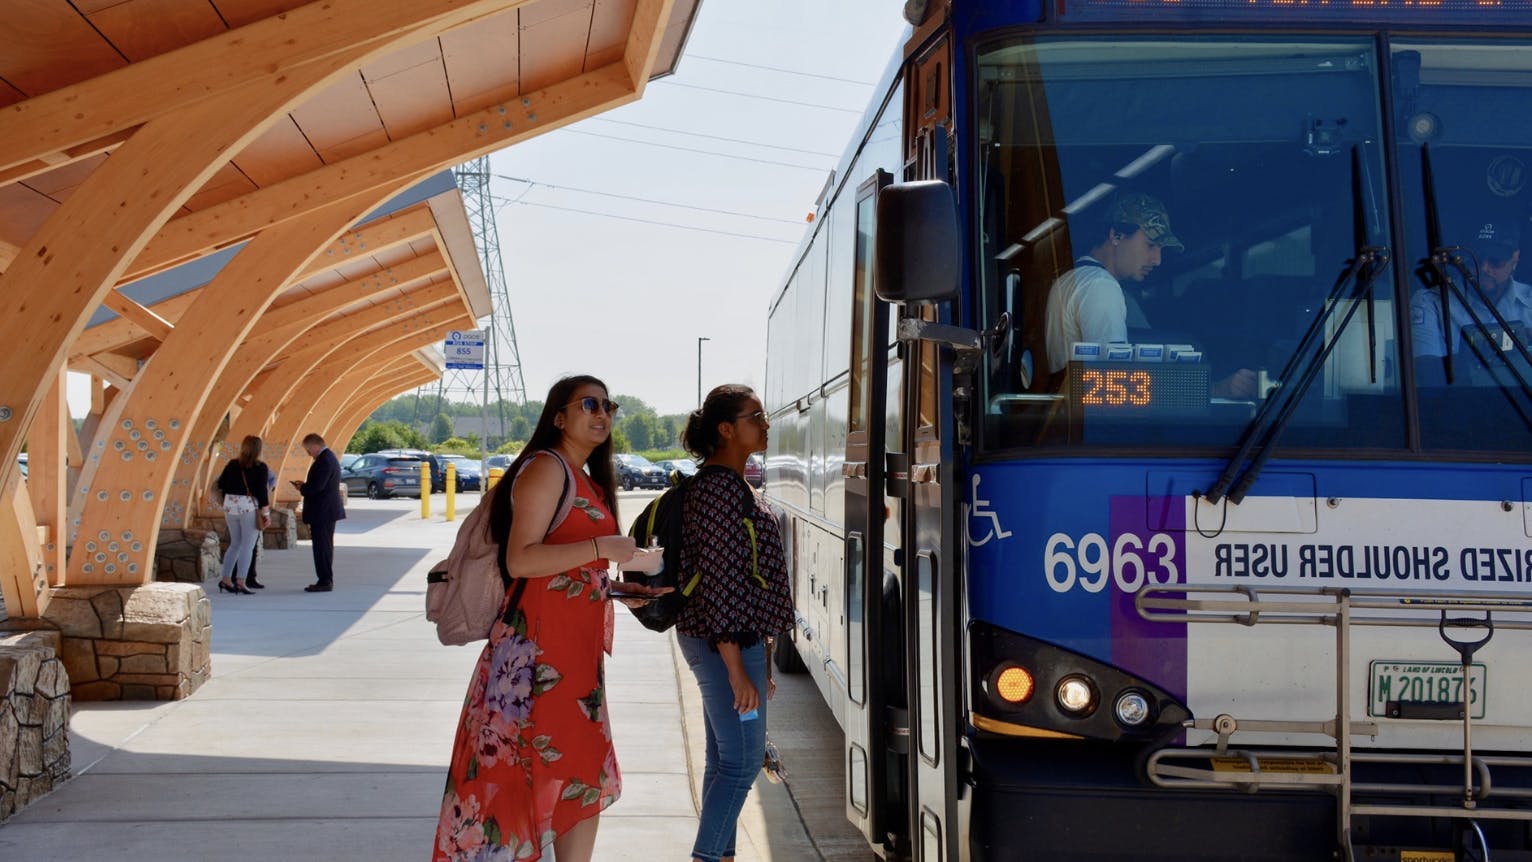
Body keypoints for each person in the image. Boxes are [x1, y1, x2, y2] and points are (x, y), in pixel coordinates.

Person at [434, 374, 652, 862]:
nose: (603, 414)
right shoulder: (547, 468)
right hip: (535, 657)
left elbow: (565, 570)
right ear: (559, 417)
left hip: (574, 658)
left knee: (581, 774)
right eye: (589, 404)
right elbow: (522, 560)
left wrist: (616, 589)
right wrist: (600, 546)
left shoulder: (585, 477)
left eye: (608, 405)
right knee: (525, 775)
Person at [675, 385, 795, 862]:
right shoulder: (718, 492)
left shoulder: (734, 485)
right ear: (726, 429)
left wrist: (759, 661)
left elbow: (749, 582)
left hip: (734, 643)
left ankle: (721, 856)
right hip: (723, 643)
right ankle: (707, 857)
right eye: (755, 417)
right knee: (743, 764)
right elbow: (721, 582)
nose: (765, 424)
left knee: (723, 761)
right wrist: (737, 669)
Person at [1044, 192, 1256, 398]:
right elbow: (1113, 385)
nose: (1157, 260)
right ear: (1116, 235)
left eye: (1161, 249)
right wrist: (1215, 391)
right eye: (1151, 245)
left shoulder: (1070, 280)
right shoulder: (1101, 285)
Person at [1411, 219, 1532, 364]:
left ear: (1515, 258)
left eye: (1496, 260)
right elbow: (1425, 368)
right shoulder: (1431, 303)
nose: (1484, 268)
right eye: (1476, 260)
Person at [214, 435, 271, 595]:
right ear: (259, 449)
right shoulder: (260, 467)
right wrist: (266, 514)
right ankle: (241, 581)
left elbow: (221, 484)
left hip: (230, 508)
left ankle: (226, 579)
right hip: (248, 508)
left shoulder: (232, 464)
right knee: (247, 546)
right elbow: (262, 493)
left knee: (235, 544)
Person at [290, 432, 345, 592]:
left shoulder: (324, 460)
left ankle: (325, 580)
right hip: (325, 511)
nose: (308, 454)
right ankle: (324, 579)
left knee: (322, 547)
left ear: (315, 446)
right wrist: (305, 485)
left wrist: (303, 488)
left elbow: (317, 487)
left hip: (323, 511)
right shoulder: (327, 458)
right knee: (323, 546)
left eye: (308, 450)